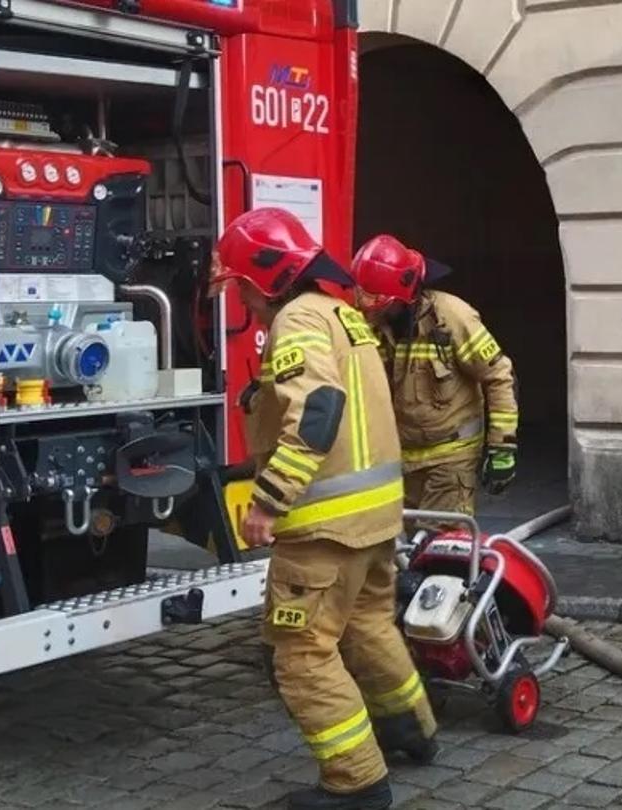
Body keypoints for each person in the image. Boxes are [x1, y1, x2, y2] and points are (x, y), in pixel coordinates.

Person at [212, 209, 436, 810]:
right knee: (368, 625)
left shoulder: (296, 320)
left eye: (236, 286)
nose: (237, 299)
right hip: (376, 516)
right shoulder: (343, 313)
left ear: (261, 282)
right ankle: (411, 729)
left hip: (322, 525)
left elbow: (318, 410)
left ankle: (356, 782)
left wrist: (268, 502)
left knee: (304, 654)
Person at [346, 235, 518, 518]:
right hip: (402, 460)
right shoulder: (372, 324)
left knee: (441, 548)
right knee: (410, 551)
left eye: (378, 302)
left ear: (404, 297)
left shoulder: (452, 317)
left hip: (452, 455)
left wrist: (502, 447)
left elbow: (499, 375)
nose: (367, 309)